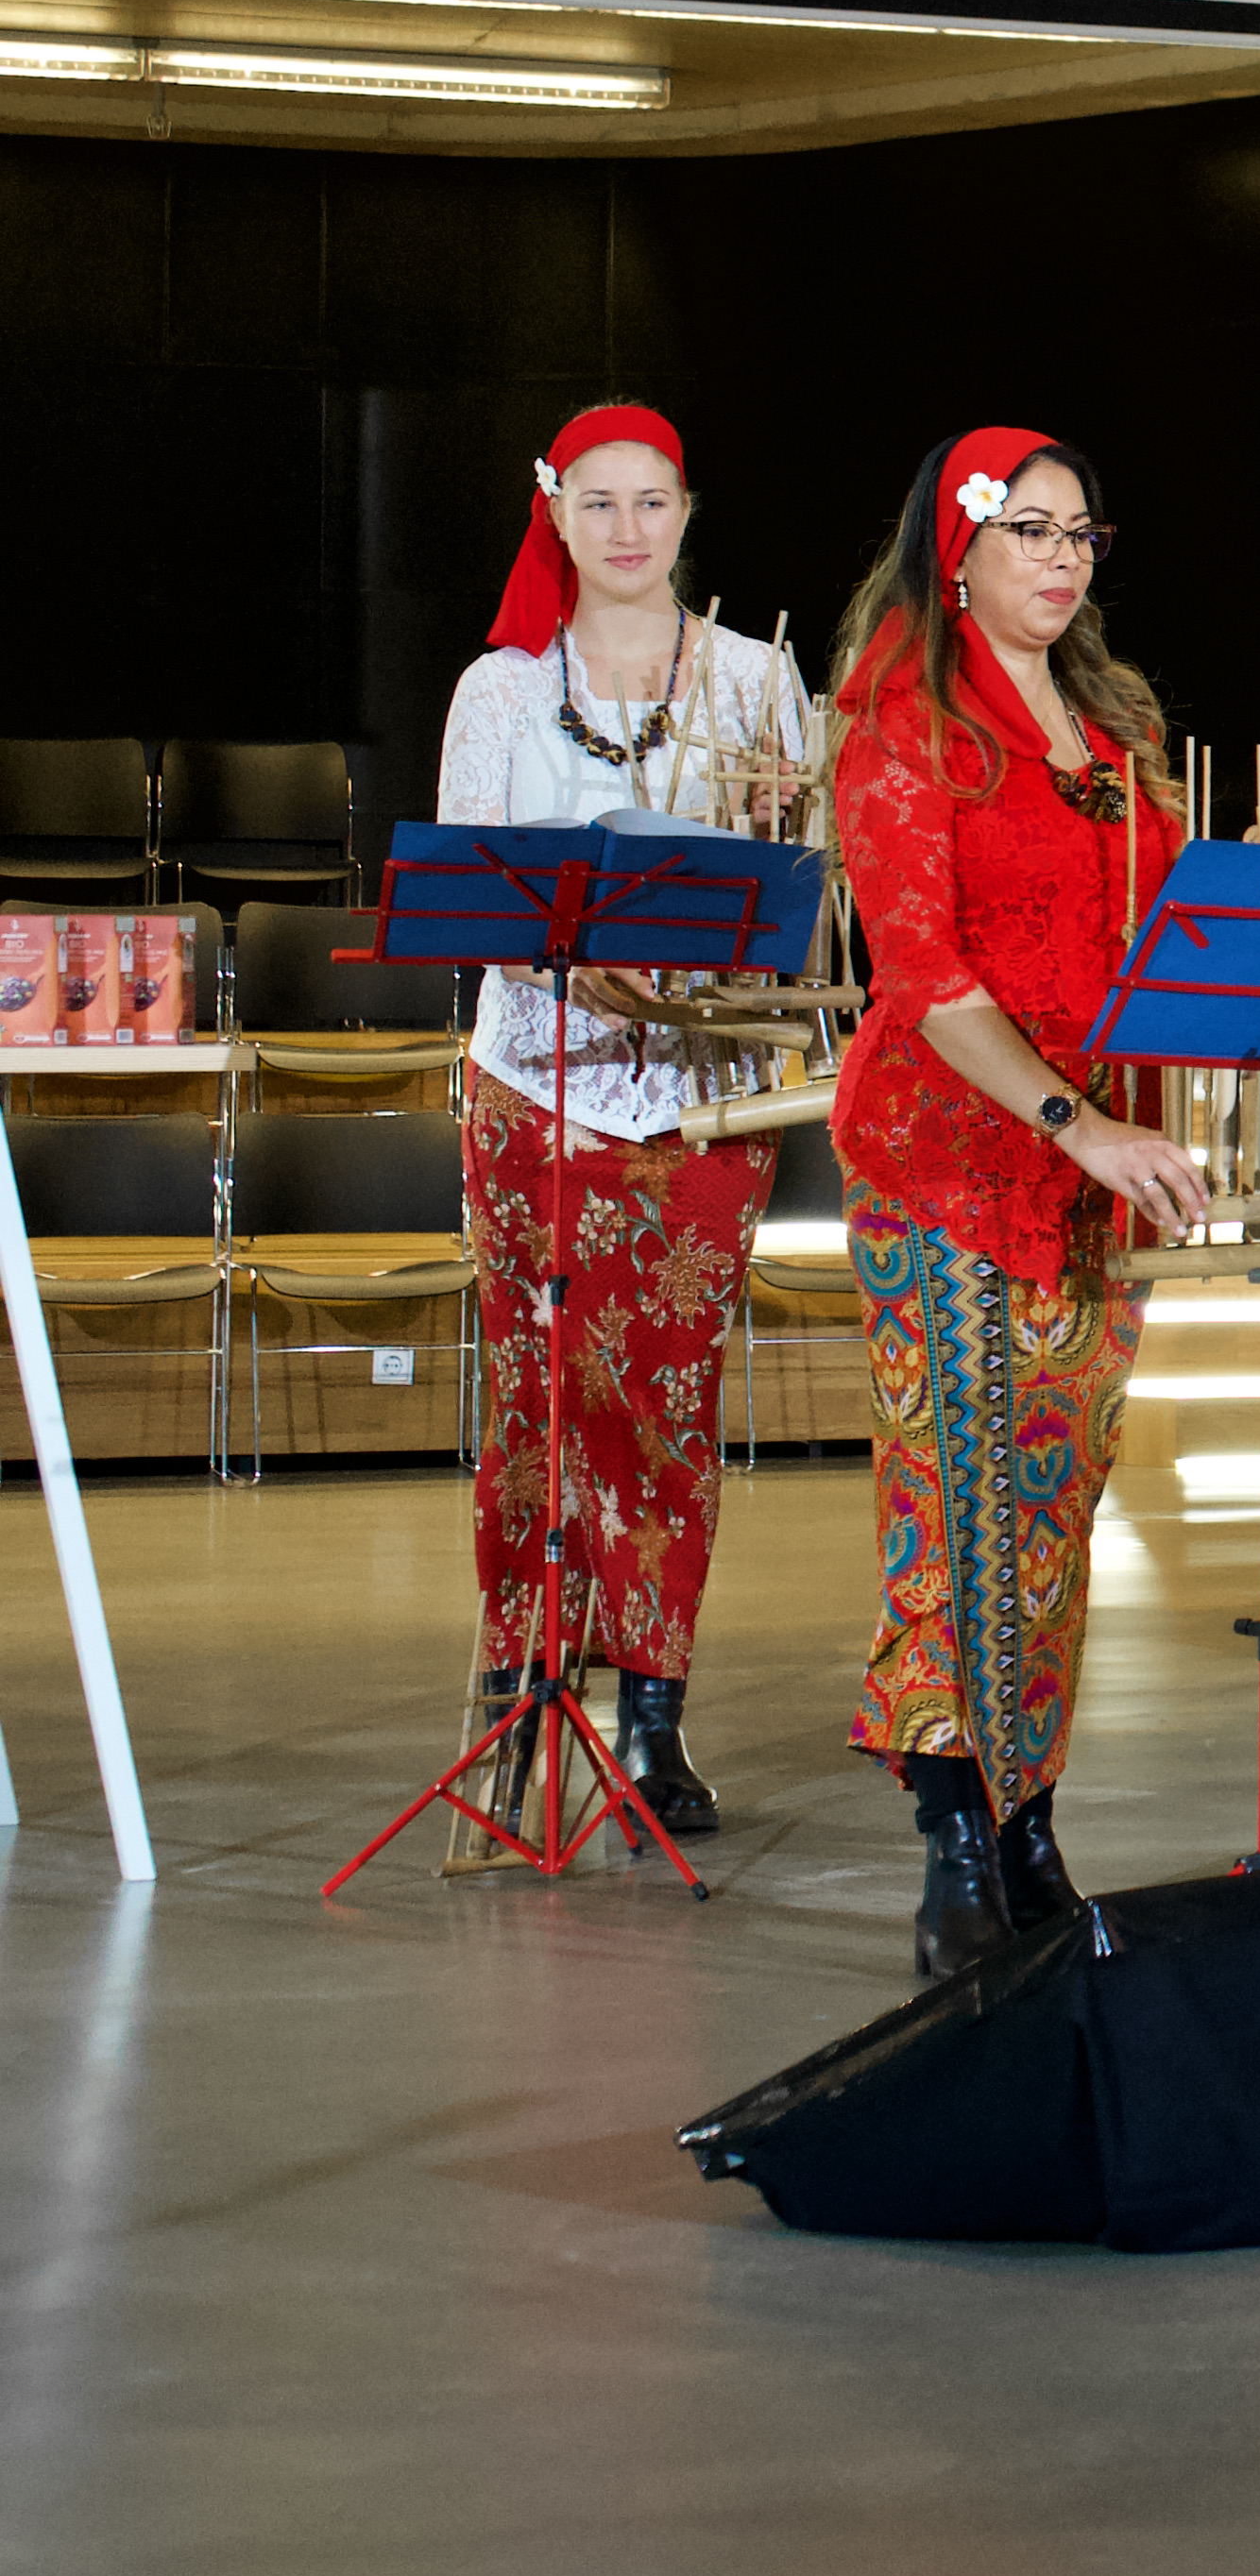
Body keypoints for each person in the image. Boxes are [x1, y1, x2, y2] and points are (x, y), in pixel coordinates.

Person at [826, 425, 1208, 1978]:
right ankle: (954, 1832)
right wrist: (1075, 1120)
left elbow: (1166, 934)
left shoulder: (1111, 727)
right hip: (948, 1168)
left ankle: (1032, 1806)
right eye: (1029, 531)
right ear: (960, 549)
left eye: (1079, 535)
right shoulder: (900, 729)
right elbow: (925, 980)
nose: (1060, 558)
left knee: (1053, 1517)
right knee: (953, 1518)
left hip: (1092, 1185)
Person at [428, 400, 815, 1833]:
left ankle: (653, 1706)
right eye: (601, 503)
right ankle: (521, 1683)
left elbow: (796, 886)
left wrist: (725, 927)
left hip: (703, 1100)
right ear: (558, 513)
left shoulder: (761, 676)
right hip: (535, 1079)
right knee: (534, 1390)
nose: (630, 529)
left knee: (659, 1401)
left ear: (687, 511)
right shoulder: (501, 689)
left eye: (653, 501)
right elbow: (473, 892)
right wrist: (582, 952)